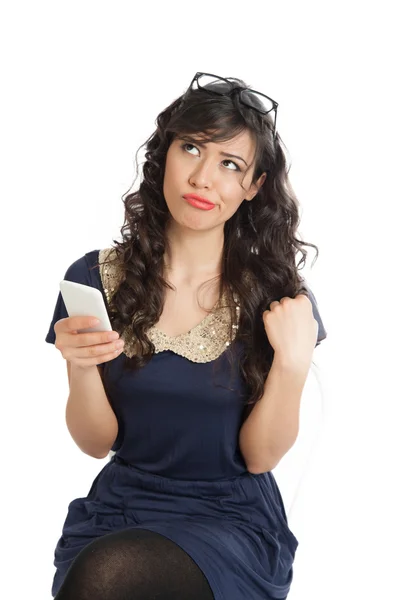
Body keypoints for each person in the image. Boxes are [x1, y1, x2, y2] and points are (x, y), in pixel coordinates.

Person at [45, 72, 327, 599]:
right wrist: (80, 365)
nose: (203, 178)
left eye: (230, 164)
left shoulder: (279, 298)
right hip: (120, 507)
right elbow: (95, 442)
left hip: (230, 520)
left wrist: (291, 365)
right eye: (191, 148)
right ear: (164, 154)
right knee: (103, 572)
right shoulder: (95, 277)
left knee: (110, 578)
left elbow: (260, 457)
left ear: (254, 186)